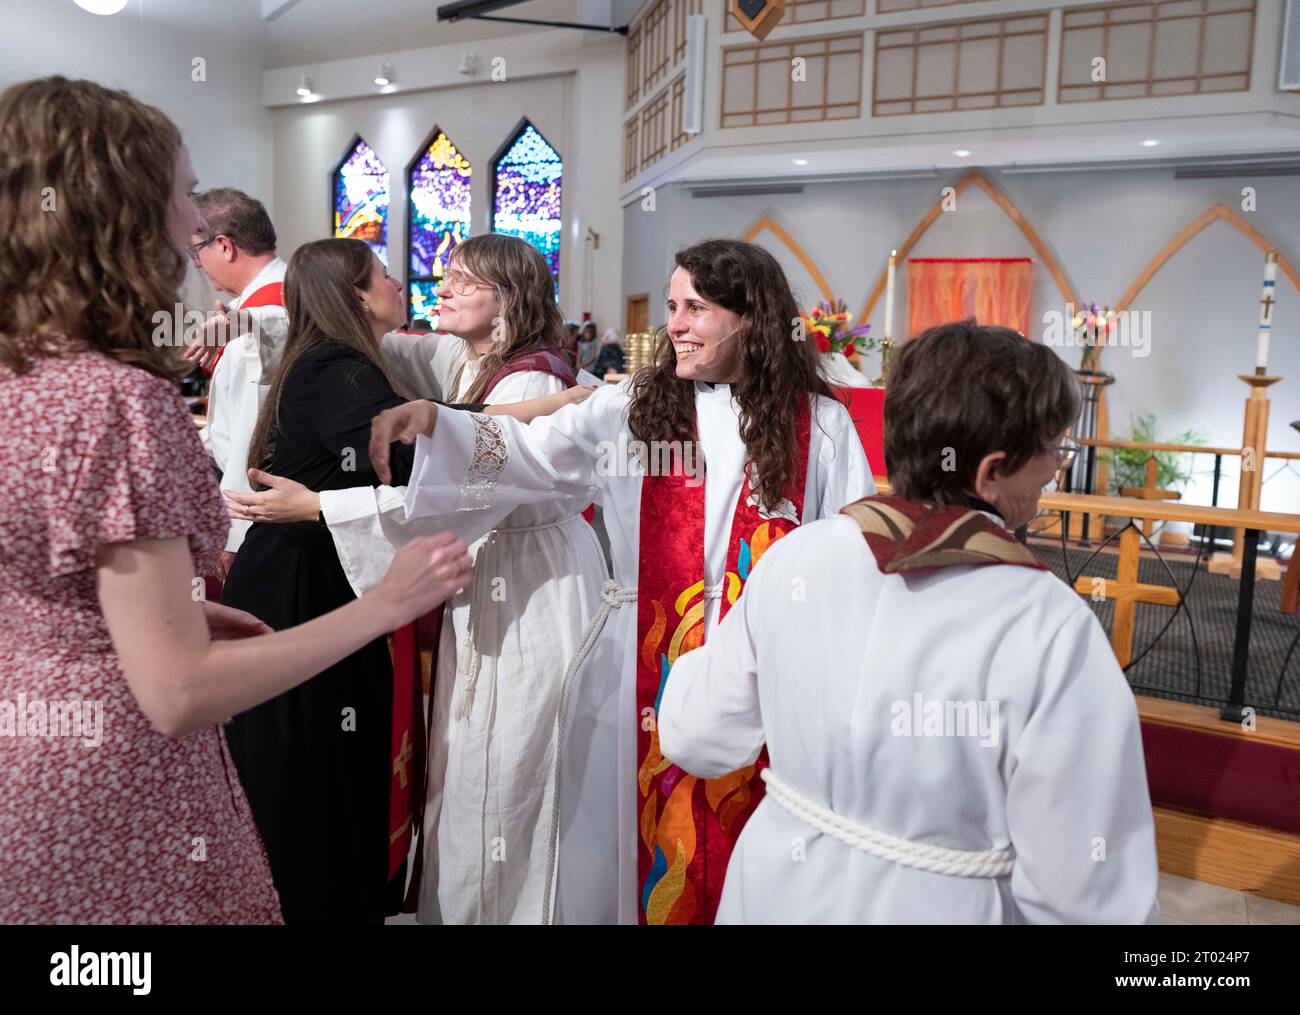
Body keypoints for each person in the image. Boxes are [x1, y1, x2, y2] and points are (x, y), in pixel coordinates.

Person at [0, 75, 472, 925]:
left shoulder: (21, 374)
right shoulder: (114, 399)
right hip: (113, 785)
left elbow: (38, 580)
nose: (192, 227)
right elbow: (178, 690)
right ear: (119, 211)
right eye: (180, 196)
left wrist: (143, 613)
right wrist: (389, 603)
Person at [367, 238, 875, 924]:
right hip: (641, 665)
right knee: (626, 863)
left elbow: (851, 557)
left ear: (751, 317)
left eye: (696, 307)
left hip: (769, 676)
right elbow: (532, 454)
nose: (676, 324)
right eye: (671, 307)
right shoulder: (639, 404)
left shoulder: (824, 426)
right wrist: (440, 422)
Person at [657, 320, 1160, 924]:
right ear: (991, 472)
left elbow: (697, 733)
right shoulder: (1047, 622)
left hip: (773, 890)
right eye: (1053, 449)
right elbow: (1085, 888)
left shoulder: (798, 555)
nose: (1056, 468)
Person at [223, 234, 609, 925]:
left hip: (526, 579)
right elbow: (352, 333)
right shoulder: (465, 356)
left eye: (464, 280)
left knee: (508, 764)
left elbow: (461, 487)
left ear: (509, 298)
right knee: (465, 769)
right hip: (481, 570)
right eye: (440, 275)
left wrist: (318, 505)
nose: (440, 286)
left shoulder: (531, 377)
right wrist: (237, 324)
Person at [183, 189, 288, 578]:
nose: (198, 265)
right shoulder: (264, 305)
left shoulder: (261, 317)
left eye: (197, 253)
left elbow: (252, 432)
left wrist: (235, 535)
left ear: (224, 246)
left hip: (262, 518)